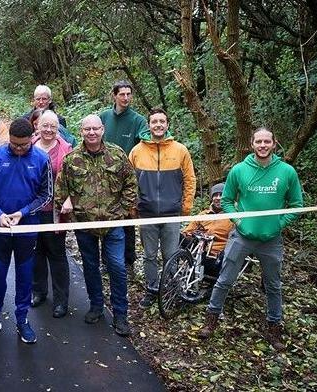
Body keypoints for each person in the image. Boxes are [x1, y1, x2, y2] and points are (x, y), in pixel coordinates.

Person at [198, 127, 303, 351]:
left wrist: (279, 224)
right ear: (252, 144)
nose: (263, 145)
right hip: (242, 237)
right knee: (224, 280)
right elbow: (226, 201)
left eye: (267, 141)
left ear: (274, 144)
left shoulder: (286, 172)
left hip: (271, 240)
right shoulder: (239, 170)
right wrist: (240, 223)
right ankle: (211, 320)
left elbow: (297, 205)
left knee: (273, 286)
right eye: (258, 141)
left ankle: (274, 328)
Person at [0, 118, 53, 344]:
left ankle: (22, 319)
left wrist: (23, 212)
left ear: (31, 140)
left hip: (27, 227)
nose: (18, 149)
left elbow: (46, 195)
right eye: (14, 145)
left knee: (25, 273)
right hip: (0, 226)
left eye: (23, 145)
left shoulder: (41, 159)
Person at [56, 114, 137, 336]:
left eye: (95, 129)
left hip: (113, 224)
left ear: (102, 129)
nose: (91, 133)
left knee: (117, 267)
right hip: (85, 225)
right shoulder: (72, 160)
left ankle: (121, 314)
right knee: (90, 267)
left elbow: (131, 185)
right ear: (81, 131)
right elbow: (61, 190)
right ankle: (96, 306)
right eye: (87, 129)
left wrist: (121, 211)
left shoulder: (117, 154)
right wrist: (68, 209)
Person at [128, 107, 196, 309]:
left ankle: (171, 288)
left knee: (171, 254)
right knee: (149, 255)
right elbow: (129, 183)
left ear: (167, 125)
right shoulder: (137, 151)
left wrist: (186, 205)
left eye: (162, 121)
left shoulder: (180, 150)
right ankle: (152, 289)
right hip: (146, 213)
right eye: (154, 121)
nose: (158, 125)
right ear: (148, 125)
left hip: (172, 213)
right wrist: (133, 207)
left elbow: (190, 179)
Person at [99, 80, 147, 277]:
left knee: (127, 219)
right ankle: (106, 261)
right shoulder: (104, 116)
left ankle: (128, 262)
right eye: (122, 94)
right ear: (114, 95)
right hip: (102, 178)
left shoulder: (138, 120)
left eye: (129, 94)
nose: (126, 98)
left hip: (127, 180)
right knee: (103, 219)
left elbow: (145, 145)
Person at [30, 110, 73, 318]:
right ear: (38, 126)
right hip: (32, 210)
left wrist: (69, 199)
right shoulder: (29, 146)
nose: (48, 130)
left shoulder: (66, 149)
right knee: (36, 252)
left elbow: (73, 180)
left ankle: (61, 300)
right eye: (45, 126)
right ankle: (39, 291)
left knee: (56, 254)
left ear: (58, 129)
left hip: (55, 211)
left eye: (53, 127)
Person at [182, 183, 233, 260]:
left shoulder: (232, 217)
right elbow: (187, 231)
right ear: (212, 198)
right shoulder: (203, 214)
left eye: (221, 195)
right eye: (215, 195)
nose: (218, 198)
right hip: (198, 249)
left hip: (217, 256)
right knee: (179, 237)